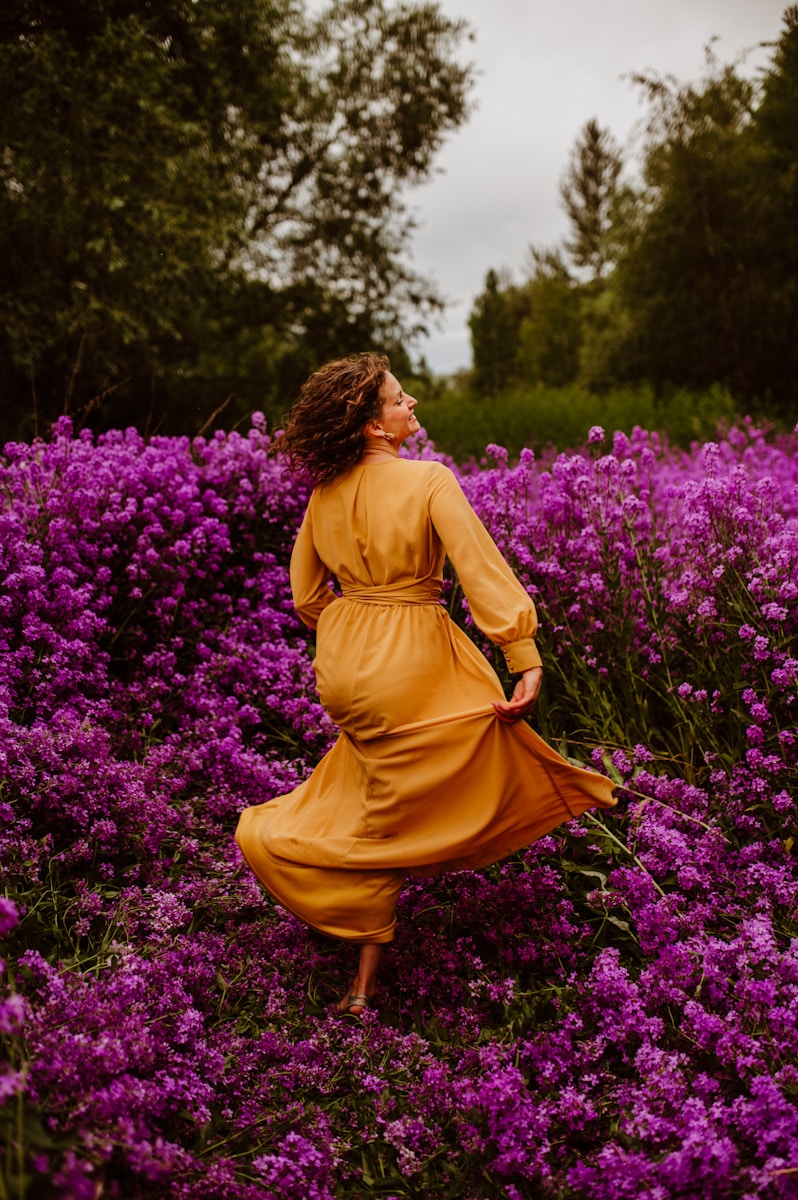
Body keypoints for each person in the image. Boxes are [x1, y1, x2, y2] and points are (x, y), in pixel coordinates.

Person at [235, 353, 616, 1016]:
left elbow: (303, 594)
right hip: (409, 654)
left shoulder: (322, 494)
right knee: (485, 741)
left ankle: (361, 976)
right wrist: (522, 653)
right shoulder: (430, 480)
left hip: (346, 665)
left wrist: (356, 623)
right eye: (399, 399)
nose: (413, 405)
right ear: (376, 427)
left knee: (379, 791)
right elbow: (479, 570)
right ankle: (580, 795)